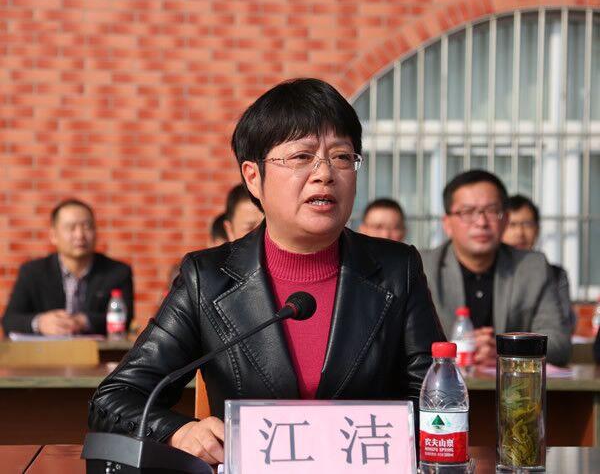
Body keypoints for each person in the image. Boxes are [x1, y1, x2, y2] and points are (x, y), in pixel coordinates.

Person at [88, 78, 444, 466]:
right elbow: (114, 399)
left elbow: (435, 399)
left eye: (342, 157)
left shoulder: (396, 269)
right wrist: (178, 431)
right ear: (253, 177)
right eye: (301, 157)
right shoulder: (207, 279)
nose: (325, 173)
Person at [420, 170, 571, 366]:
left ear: (505, 219)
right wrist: (463, 349)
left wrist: (504, 352)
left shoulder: (533, 267)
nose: (481, 222)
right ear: (447, 224)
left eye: (491, 211)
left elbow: (559, 343)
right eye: (467, 212)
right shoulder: (423, 268)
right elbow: (404, 345)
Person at [2, 199, 134, 336]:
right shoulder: (32, 272)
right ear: (53, 235)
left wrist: (84, 321)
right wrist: (40, 323)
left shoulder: (117, 272)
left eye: (87, 227)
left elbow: (127, 319)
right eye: (71, 228)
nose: (80, 235)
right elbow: (9, 320)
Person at [502, 194, 576, 331]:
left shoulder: (555, 274)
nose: (520, 233)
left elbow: (562, 325)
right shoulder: (493, 272)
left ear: (537, 230)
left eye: (527, 224)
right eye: (512, 225)